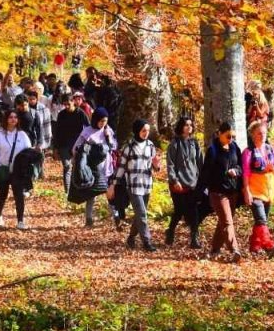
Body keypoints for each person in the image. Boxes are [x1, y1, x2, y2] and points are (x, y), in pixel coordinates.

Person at [199, 122, 245, 262]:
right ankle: (234, 250)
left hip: (232, 191)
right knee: (227, 222)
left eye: (233, 136)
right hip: (217, 192)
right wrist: (202, 191)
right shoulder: (213, 150)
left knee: (223, 222)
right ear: (220, 134)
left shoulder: (234, 147)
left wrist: (235, 171)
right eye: (228, 136)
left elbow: (240, 166)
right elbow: (206, 172)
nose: (231, 139)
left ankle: (215, 249)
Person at [113, 119, 161, 251]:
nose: (146, 133)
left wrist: (157, 165)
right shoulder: (129, 146)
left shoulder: (150, 145)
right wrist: (114, 183)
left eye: (147, 131)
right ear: (137, 131)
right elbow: (121, 167)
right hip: (133, 186)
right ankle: (147, 241)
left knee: (140, 214)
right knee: (141, 214)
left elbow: (155, 167)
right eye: (143, 130)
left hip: (146, 184)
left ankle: (131, 237)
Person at [241, 120, 274, 257]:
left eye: (264, 133)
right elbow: (245, 173)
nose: (262, 135)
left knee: (261, 221)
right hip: (254, 191)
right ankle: (268, 246)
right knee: (261, 220)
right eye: (259, 133)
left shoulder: (271, 149)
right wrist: (246, 191)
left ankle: (254, 245)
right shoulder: (248, 152)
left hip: (268, 191)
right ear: (252, 135)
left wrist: (272, 168)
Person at [72, 107, 117, 227]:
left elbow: (114, 147)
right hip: (91, 167)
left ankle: (116, 216)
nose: (103, 123)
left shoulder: (108, 130)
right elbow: (76, 148)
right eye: (101, 121)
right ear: (96, 119)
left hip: (106, 166)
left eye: (105, 121)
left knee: (109, 191)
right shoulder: (87, 131)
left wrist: (108, 137)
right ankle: (89, 218)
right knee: (91, 193)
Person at [0, 109, 32, 229]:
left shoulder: (22, 135)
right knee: (2, 195)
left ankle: (20, 221)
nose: (13, 119)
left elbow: (28, 152)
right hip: (2, 169)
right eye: (10, 117)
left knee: (19, 195)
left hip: (17, 171)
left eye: (15, 117)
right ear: (6, 119)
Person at [165, 116, 205, 248]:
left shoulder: (195, 143)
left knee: (193, 210)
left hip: (192, 182)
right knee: (179, 211)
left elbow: (200, 162)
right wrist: (174, 180)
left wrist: (203, 179)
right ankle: (170, 231)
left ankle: (194, 238)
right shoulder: (174, 144)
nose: (189, 127)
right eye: (186, 125)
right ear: (181, 127)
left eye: (190, 125)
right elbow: (170, 164)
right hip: (178, 183)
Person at [52, 91, 90, 195]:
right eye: (65, 104)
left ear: (73, 102)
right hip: (63, 144)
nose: (67, 106)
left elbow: (88, 128)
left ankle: (77, 189)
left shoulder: (81, 113)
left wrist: (87, 142)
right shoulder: (61, 115)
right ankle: (67, 192)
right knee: (67, 166)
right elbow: (57, 131)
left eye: (68, 104)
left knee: (77, 167)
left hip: (77, 144)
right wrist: (55, 147)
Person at [10, 144, 45, 231]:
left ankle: (20, 220)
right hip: (10, 171)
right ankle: (3, 217)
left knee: (19, 198)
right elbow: (26, 174)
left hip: (17, 173)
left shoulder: (27, 153)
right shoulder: (27, 157)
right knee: (13, 197)